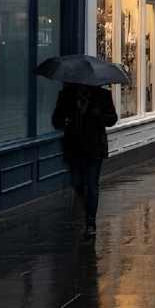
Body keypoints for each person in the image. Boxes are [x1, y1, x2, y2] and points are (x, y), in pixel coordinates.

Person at [51, 81, 119, 239]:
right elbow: (56, 120)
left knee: (92, 184)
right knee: (78, 183)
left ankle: (90, 222)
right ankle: (86, 208)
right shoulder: (66, 95)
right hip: (74, 147)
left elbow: (112, 119)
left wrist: (99, 115)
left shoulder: (102, 95)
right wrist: (66, 119)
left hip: (95, 148)